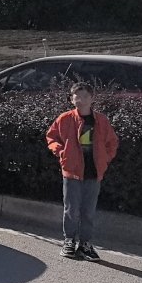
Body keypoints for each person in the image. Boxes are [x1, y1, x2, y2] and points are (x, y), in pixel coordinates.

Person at [46, 82, 119, 261]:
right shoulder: (65, 118)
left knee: (88, 211)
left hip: (94, 173)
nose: (81, 99)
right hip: (72, 171)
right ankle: (69, 240)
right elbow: (51, 137)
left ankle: (85, 244)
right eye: (77, 96)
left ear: (92, 98)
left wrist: (105, 160)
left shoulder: (101, 120)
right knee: (71, 209)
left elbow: (112, 142)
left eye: (85, 96)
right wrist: (61, 153)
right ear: (72, 99)